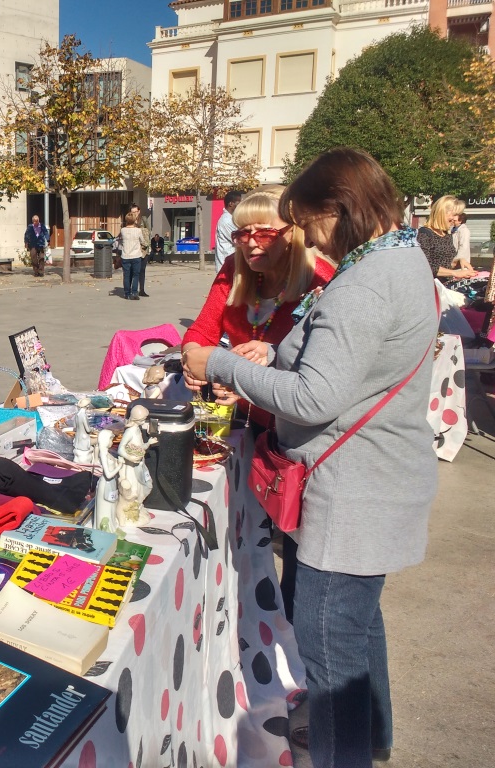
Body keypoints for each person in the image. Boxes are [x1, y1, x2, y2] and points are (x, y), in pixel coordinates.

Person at [183, 148, 438, 768]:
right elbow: (343, 369)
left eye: (307, 223)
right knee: (357, 630)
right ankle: (372, 738)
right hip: (377, 481)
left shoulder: (369, 280)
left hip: (352, 494)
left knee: (330, 652)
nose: (308, 240)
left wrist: (221, 364)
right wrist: (273, 358)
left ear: (338, 209)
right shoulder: (401, 260)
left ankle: (343, 751)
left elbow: (315, 397)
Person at [182, 188, 334, 427]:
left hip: (288, 429)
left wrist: (241, 380)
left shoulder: (321, 280)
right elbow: (201, 331)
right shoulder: (233, 269)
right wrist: (190, 359)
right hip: (239, 418)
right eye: (243, 234)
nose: (251, 244)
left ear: (293, 233)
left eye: (265, 234)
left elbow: (315, 375)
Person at [417, 195, 477, 282]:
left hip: (445, 287)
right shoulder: (424, 234)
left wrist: (458, 261)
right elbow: (424, 266)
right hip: (430, 287)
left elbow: (446, 262)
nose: (455, 219)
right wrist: (454, 273)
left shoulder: (446, 234)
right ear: (442, 213)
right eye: (454, 215)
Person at [118, 210, 145, 300]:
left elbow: (120, 241)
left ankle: (127, 293)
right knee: (136, 275)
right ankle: (134, 292)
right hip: (136, 255)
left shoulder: (123, 230)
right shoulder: (138, 230)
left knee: (126, 275)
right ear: (134, 220)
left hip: (125, 256)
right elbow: (143, 241)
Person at [214, 191, 242, 273]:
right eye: (239, 203)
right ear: (231, 204)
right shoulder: (226, 220)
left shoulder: (231, 219)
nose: (240, 206)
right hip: (226, 266)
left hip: (231, 264)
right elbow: (239, 240)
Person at [129, 204, 152, 297]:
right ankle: (131, 289)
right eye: (132, 212)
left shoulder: (144, 219)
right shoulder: (129, 220)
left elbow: (148, 231)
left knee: (142, 269)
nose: (134, 214)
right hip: (133, 248)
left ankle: (142, 290)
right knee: (132, 270)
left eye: (135, 212)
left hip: (143, 248)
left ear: (139, 211)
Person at [449, 200, 472, 270]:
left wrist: (456, 259)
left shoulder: (464, 231)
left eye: (455, 221)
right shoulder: (452, 230)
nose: (453, 221)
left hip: (460, 263)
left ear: (460, 221)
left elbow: (463, 247)